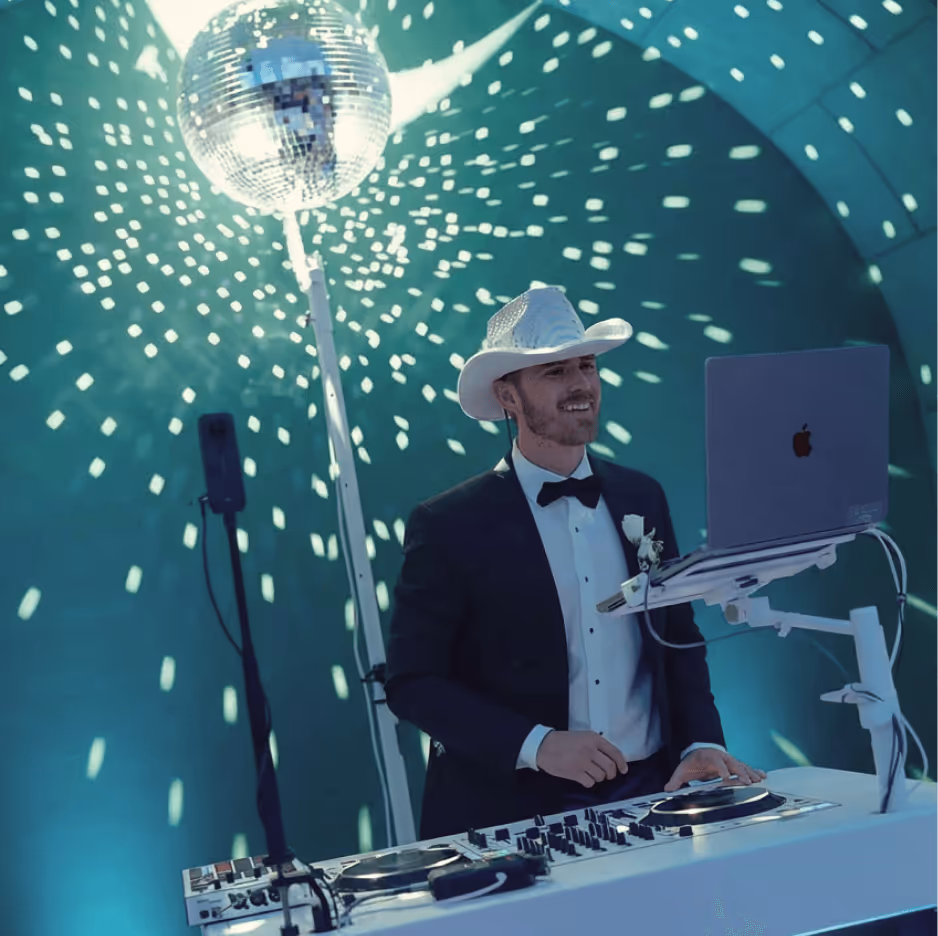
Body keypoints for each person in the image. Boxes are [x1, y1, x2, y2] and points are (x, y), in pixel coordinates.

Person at [385, 286, 766, 840]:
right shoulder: (448, 522)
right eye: (554, 372)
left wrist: (701, 743)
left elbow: (678, 637)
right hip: (508, 808)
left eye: (586, 366)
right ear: (508, 397)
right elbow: (414, 682)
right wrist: (537, 744)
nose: (581, 385)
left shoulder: (643, 496)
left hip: (653, 794)